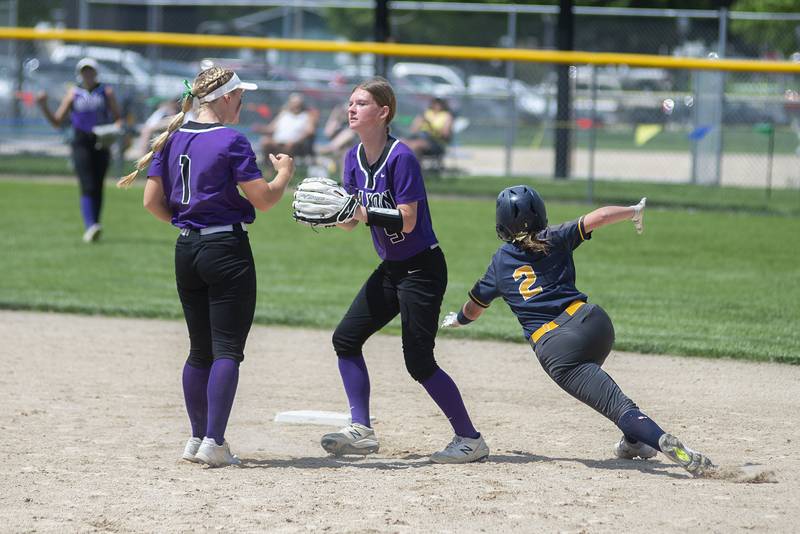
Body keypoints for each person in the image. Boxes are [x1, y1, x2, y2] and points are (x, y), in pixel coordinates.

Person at [441, 186, 715, 477]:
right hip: (595, 323)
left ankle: (663, 442)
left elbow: (473, 308)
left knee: (616, 404)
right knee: (601, 385)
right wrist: (633, 211)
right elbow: (597, 217)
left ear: (502, 224)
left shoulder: (500, 263)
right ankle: (634, 442)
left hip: (558, 347)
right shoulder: (555, 237)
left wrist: (458, 320)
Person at [116, 66, 295, 467]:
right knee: (228, 349)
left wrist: (188, 223)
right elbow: (263, 200)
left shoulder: (173, 137)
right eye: (240, 97)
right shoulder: (231, 139)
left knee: (199, 351)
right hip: (226, 248)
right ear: (226, 98)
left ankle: (196, 438)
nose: (242, 104)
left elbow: (151, 203)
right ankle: (214, 442)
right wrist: (283, 174)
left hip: (187, 250)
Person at [317, 77, 488, 464]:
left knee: (418, 360)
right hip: (392, 268)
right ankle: (360, 429)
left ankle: (469, 438)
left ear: (383, 112)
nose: (351, 108)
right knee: (346, 339)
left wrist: (358, 212)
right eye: (350, 102)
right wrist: (330, 215)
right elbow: (350, 221)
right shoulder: (351, 158)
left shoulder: (401, 156)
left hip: (423, 269)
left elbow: (407, 221)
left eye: (361, 102)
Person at [37, 57, 122, 243]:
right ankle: (90, 225)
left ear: (96, 72)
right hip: (81, 141)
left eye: (90, 70)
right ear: (80, 73)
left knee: (98, 185)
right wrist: (43, 106)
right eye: (84, 71)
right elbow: (57, 122)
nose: (88, 74)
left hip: (101, 141)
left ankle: (95, 226)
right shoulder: (73, 93)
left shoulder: (106, 92)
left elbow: (118, 118)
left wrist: (113, 131)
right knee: (87, 184)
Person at [255, 92, 319, 159]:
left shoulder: (307, 116)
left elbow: (310, 131)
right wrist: (261, 129)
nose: (296, 106)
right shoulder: (283, 114)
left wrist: (297, 140)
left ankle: (285, 167)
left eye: (298, 104)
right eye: (294, 103)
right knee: (265, 142)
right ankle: (269, 167)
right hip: (278, 141)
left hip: (295, 143)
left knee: (289, 146)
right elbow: (271, 128)